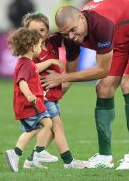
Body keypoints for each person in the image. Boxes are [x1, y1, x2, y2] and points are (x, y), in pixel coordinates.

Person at [42, 0, 129, 170]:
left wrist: (60, 78)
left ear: (81, 17)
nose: (72, 36)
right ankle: (104, 156)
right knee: (103, 88)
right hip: (121, 38)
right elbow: (71, 73)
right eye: (65, 33)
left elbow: (101, 70)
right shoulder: (71, 36)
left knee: (128, 84)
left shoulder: (101, 25)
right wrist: (49, 101)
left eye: (73, 30)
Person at [21, 12, 87, 169]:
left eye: (42, 30)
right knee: (57, 127)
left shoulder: (52, 41)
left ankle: (31, 160)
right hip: (43, 96)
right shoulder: (30, 51)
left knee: (49, 131)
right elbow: (29, 69)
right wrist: (51, 61)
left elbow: (67, 33)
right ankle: (69, 162)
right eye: (33, 31)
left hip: (53, 94)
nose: (38, 34)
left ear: (48, 31)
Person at [5, 28, 58, 172]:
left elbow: (36, 67)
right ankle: (35, 153)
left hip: (32, 104)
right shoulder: (26, 65)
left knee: (39, 126)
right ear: (32, 47)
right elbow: (22, 81)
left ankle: (23, 154)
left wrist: (51, 61)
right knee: (43, 125)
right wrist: (29, 95)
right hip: (30, 104)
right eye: (39, 45)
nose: (41, 48)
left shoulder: (26, 62)